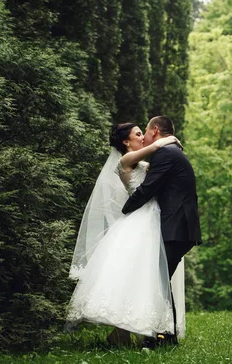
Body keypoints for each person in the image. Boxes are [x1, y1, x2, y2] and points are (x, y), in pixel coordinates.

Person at [66, 122, 185, 346]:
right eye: (138, 134)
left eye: (143, 133)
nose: (142, 137)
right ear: (125, 141)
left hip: (151, 217)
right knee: (130, 272)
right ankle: (121, 334)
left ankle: (120, 335)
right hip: (139, 220)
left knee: (137, 275)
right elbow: (154, 148)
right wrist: (168, 140)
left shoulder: (141, 162)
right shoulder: (125, 161)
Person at [122, 116, 202, 347]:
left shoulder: (166, 154)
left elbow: (148, 188)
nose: (144, 137)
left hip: (177, 227)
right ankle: (163, 336)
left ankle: (162, 338)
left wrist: (126, 211)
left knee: (157, 279)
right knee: (158, 279)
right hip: (178, 226)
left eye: (145, 132)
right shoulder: (170, 152)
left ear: (155, 131)